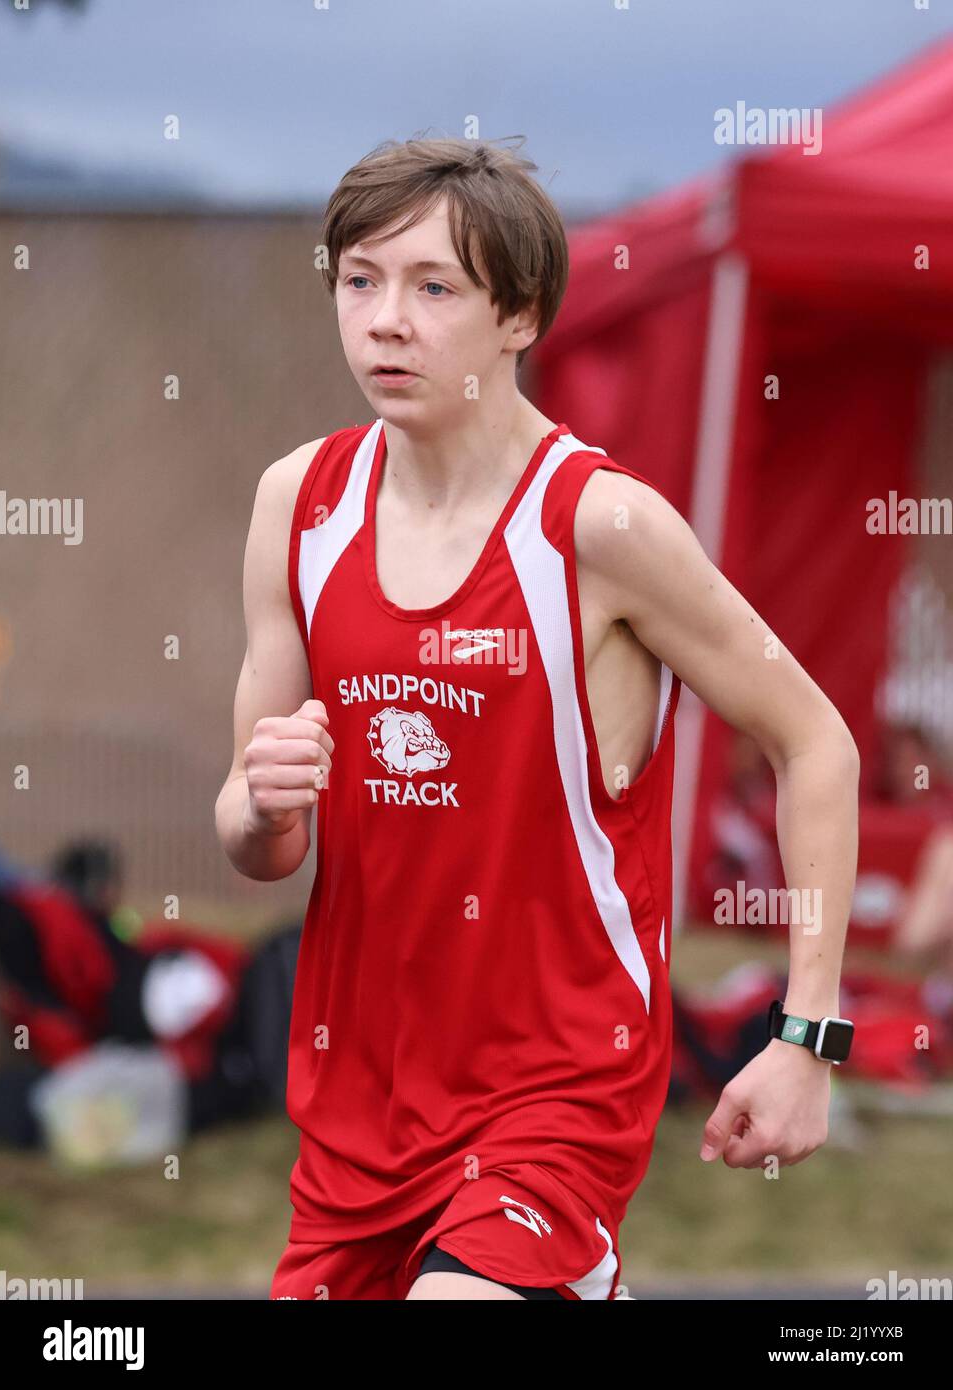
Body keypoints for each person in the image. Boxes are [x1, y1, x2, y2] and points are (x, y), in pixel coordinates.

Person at [214, 136, 860, 1301]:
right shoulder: (295, 503)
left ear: (519, 316)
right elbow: (262, 848)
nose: (385, 321)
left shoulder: (600, 526)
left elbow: (815, 739)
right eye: (360, 281)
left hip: (555, 1092)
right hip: (357, 1113)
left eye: (433, 287)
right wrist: (260, 802)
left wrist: (807, 1036)